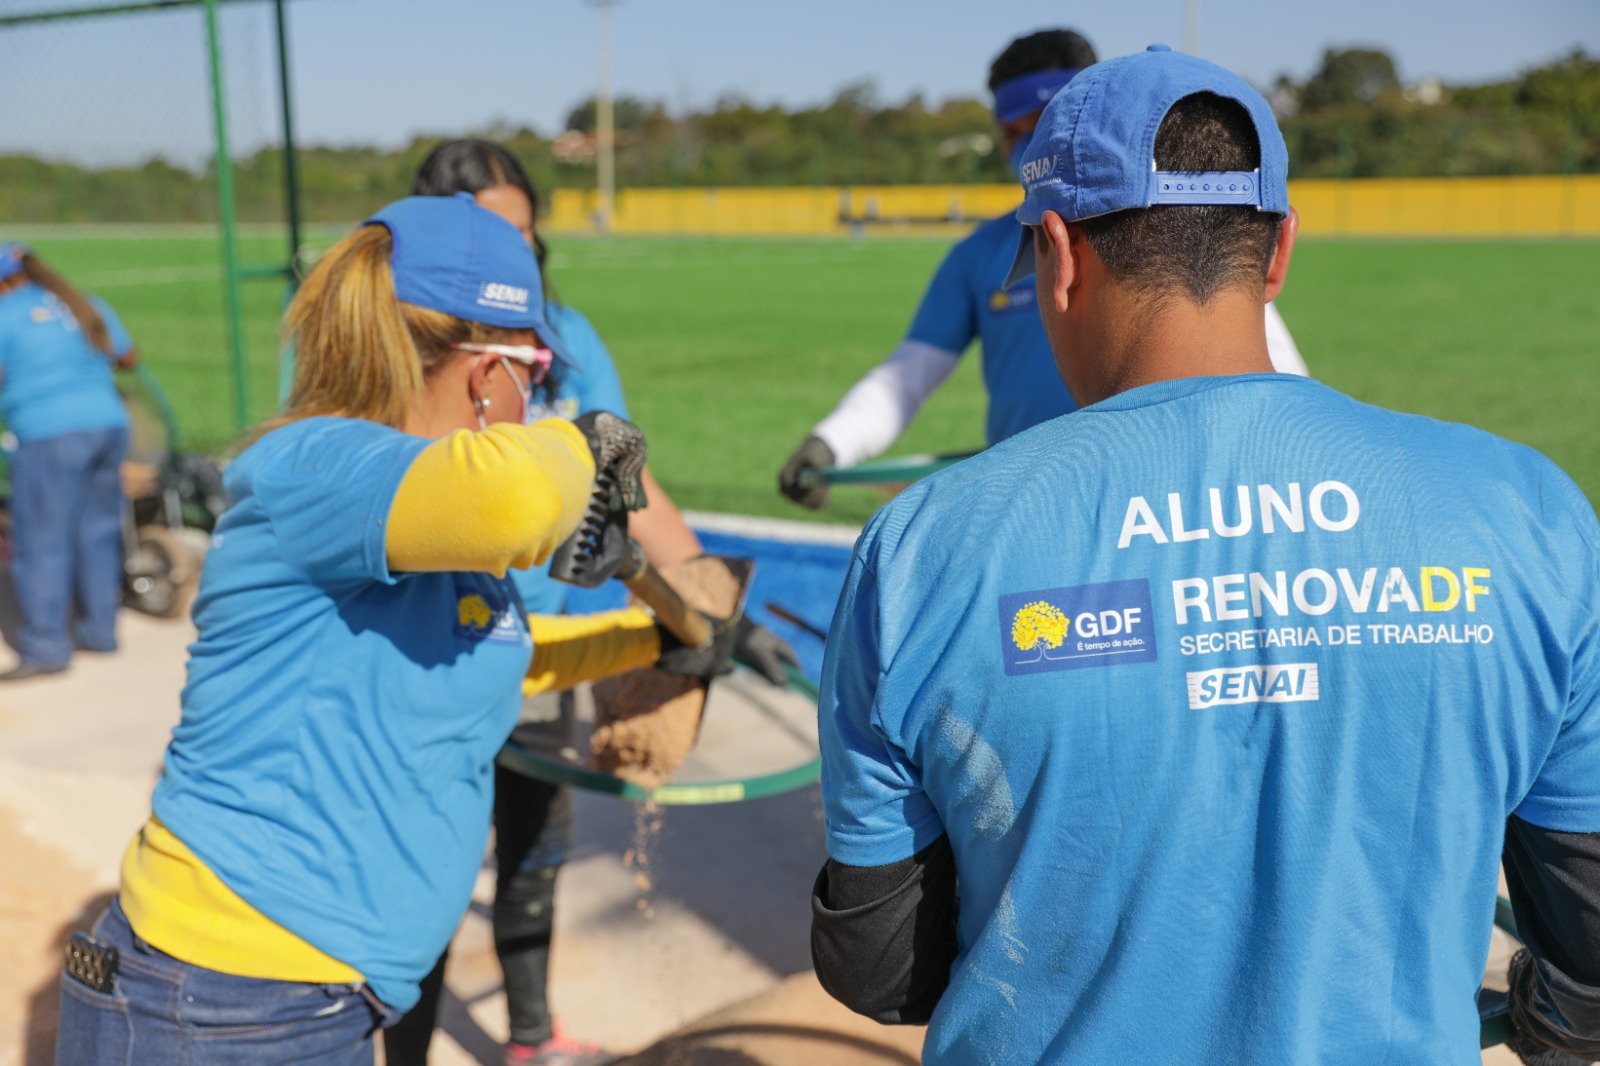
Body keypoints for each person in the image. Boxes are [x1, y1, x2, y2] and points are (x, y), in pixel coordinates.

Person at [810, 46, 1600, 1065]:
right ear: (1277, 254)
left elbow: (880, 969)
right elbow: (1585, 938)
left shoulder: (917, 548)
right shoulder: (1528, 510)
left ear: (1054, 253)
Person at [55, 194, 740, 1066]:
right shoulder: (323, 465)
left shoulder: (417, 524)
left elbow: (490, 653)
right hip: (219, 996)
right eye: (534, 369)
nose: (538, 394)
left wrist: (656, 643)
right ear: (488, 372)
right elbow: (519, 498)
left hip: (303, 997)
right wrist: (590, 438)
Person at [384, 139, 797, 1066]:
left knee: (533, 850)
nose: (516, 257)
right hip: (431, 655)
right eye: (493, 236)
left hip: (549, 648)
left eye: (526, 236)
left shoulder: (566, 336)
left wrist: (710, 601)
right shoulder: (402, 351)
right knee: (432, 875)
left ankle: (529, 1038)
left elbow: (630, 485)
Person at [778, 29, 1309, 509]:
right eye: (1012, 131)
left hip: (1159, 499)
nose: (1029, 143)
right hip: (1033, 508)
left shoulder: (1171, 235)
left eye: (1047, 121)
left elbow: (1278, 378)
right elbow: (907, 376)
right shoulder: (976, 255)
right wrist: (834, 441)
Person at [0, 242, 137, 679]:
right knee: (95, 531)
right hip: (109, 425)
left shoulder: (6, 314)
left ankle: (45, 648)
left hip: (50, 434)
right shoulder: (82, 303)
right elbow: (128, 356)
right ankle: (100, 631)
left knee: (42, 538)